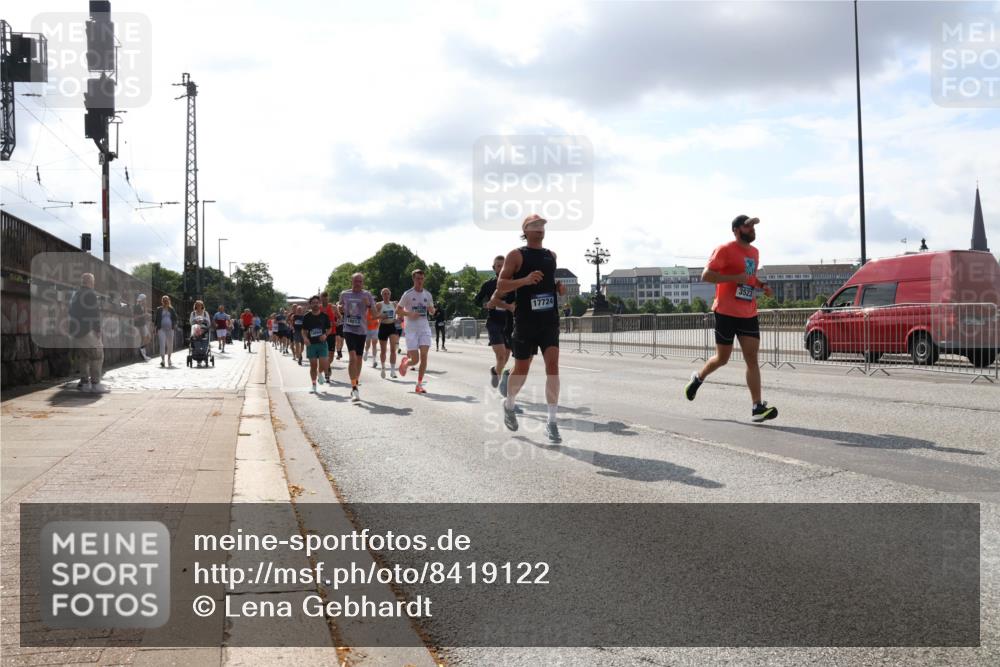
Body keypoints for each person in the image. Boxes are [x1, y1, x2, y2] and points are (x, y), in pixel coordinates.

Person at [685, 214, 778, 422]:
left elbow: (750, 278)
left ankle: (756, 407)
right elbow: (706, 276)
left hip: (748, 312)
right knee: (722, 359)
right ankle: (698, 378)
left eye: (754, 227)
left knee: (752, 359)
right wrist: (733, 278)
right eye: (748, 227)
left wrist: (762, 286)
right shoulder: (724, 249)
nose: (753, 230)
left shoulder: (755, 252)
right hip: (726, 311)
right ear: (736, 230)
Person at [495, 214, 566, 443]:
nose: (540, 229)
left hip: (549, 321)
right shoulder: (516, 255)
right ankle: (510, 404)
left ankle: (552, 423)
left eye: (543, 225)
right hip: (525, 321)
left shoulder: (550, 256)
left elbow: (547, 283)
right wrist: (524, 281)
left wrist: (558, 288)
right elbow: (502, 285)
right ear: (525, 230)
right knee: (522, 369)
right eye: (535, 226)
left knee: (553, 367)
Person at [475, 255, 515, 389]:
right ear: (494, 268)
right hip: (494, 323)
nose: (502, 268)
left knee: (506, 356)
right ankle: (498, 372)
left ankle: (496, 372)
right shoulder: (488, 285)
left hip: (509, 323)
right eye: (499, 266)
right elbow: (476, 301)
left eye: (504, 265)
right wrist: (486, 304)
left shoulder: (513, 284)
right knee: (501, 354)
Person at [338, 273, 380, 402]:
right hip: (348, 329)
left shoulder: (367, 295)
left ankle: (356, 381)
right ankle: (354, 387)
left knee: (359, 359)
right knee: (352, 358)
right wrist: (340, 309)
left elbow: (374, 314)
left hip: (361, 330)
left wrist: (368, 305)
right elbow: (341, 309)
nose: (358, 283)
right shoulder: (344, 294)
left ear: (363, 283)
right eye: (356, 281)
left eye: (360, 281)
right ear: (352, 281)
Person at [68, 272, 109, 393]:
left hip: (76, 331)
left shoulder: (76, 294)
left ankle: (84, 383)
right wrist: (97, 329)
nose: (94, 284)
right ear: (90, 282)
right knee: (97, 354)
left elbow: (70, 311)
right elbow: (94, 313)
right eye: (93, 281)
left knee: (83, 357)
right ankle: (96, 384)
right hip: (87, 330)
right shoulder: (90, 294)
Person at [396, 268, 436, 394]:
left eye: (422, 279)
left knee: (424, 356)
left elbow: (432, 310)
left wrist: (432, 310)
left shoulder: (428, 294)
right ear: (413, 279)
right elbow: (398, 310)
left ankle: (419, 384)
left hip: (424, 328)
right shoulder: (407, 294)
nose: (420, 281)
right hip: (411, 330)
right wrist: (409, 314)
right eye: (417, 278)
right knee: (415, 360)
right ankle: (406, 363)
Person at [301, 295, 331, 393]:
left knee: (324, 364)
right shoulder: (307, 317)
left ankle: (319, 373)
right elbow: (304, 330)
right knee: (313, 365)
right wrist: (305, 338)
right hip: (311, 344)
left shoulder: (324, 316)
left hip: (322, 343)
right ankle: (314, 385)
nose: (315, 304)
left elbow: (329, 328)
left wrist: (325, 335)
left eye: (317, 303)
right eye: (313, 303)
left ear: (320, 304)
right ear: (310, 304)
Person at [376, 288, 400, 379]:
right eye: (384, 294)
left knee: (393, 349)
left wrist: (397, 318)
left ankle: (393, 371)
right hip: (383, 327)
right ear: (382, 295)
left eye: (388, 294)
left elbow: (398, 314)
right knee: (383, 351)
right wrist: (381, 316)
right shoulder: (379, 305)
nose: (386, 295)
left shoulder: (393, 304)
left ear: (390, 295)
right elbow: (373, 316)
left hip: (392, 327)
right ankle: (383, 368)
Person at [153, 295, 180, 368]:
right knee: (162, 344)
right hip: (161, 329)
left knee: (170, 345)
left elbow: (175, 318)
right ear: (162, 301)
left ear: (169, 301)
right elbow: (156, 320)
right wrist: (155, 328)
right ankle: (162, 360)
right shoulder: (159, 309)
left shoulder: (171, 309)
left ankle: (169, 359)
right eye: (164, 300)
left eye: (167, 300)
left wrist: (174, 325)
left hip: (170, 329)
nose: (165, 301)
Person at [320, 291, 338, 384]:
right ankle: (327, 373)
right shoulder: (318, 308)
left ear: (328, 298)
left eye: (326, 297)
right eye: (323, 297)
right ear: (320, 298)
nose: (324, 299)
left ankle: (328, 366)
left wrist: (336, 323)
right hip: (321, 334)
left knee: (331, 355)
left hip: (332, 332)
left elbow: (339, 317)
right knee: (324, 354)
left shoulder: (333, 307)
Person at [133, 293, 150, 361]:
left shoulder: (143, 306)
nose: (146, 301)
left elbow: (144, 314)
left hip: (143, 323)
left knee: (147, 337)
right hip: (139, 325)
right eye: (145, 299)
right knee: (146, 338)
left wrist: (146, 314)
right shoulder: (136, 306)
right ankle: (142, 352)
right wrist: (144, 315)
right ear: (142, 300)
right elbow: (135, 317)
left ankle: (142, 351)